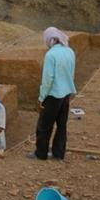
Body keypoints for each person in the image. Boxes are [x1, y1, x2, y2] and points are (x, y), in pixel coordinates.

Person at [28, 26, 76, 161]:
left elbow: (48, 79)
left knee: (44, 126)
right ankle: (58, 153)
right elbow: (71, 73)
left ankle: (41, 154)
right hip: (66, 94)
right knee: (62, 125)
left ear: (50, 40)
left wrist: (41, 98)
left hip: (53, 95)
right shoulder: (69, 51)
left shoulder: (50, 55)